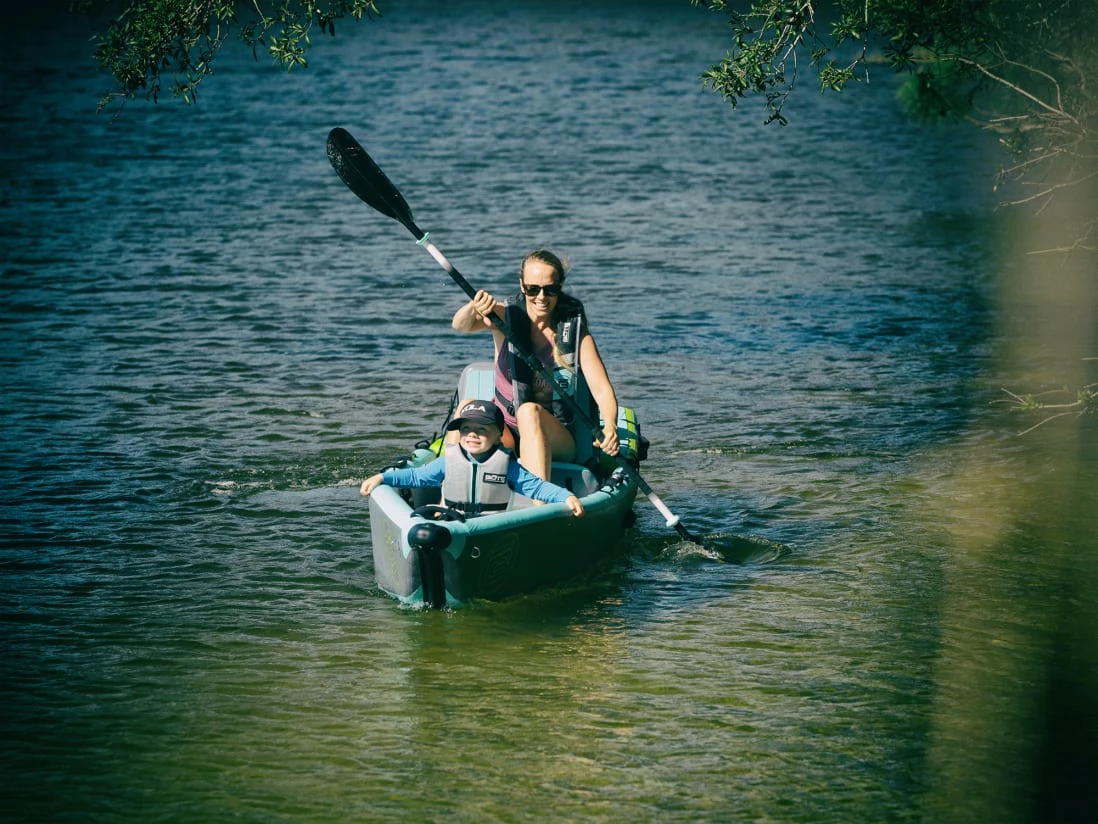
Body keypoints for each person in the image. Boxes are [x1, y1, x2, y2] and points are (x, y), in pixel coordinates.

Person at [449, 249, 620, 481]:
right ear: (522, 286)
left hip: (554, 437)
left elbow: (602, 390)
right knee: (467, 407)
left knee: (528, 411)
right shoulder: (505, 316)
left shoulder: (576, 335)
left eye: (550, 289)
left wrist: (609, 427)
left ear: (559, 287)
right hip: (504, 431)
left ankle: (539, 501)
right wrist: (473, 307)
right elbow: (461, 326)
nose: (541, 297)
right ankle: (446, 490)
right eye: (533, 289)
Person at [360, 399, 584, 517]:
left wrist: (566, 497)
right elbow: (418, 477)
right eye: (466, 429)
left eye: (482, 429)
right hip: (452, 521)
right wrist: (382, 478)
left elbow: (537, 488)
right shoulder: (449, 460)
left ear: (499, 437)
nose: (472, 435)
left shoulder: (507, 466)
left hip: (490, 526)